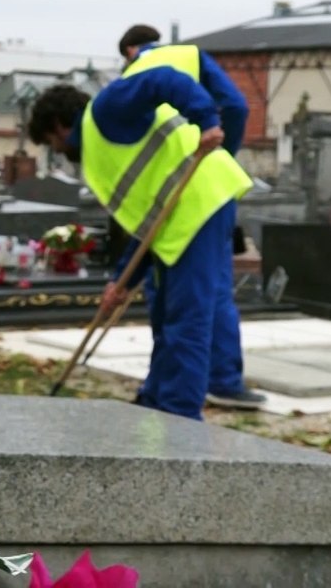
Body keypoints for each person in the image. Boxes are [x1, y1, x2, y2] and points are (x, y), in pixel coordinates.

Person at [26, 56, 261, 421]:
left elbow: (164, 79)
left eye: (52, 142)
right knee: (166, 313)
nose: (58, 151)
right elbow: (145, 220)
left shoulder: (107, 110)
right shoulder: (99, 150)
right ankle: (155, 400)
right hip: (173, 219)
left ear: (58, 125)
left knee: (187, 319)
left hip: (200, 202)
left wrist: (206, 120)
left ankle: (179, 416)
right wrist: (123, 280)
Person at [114, 24, 264, 411]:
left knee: (173, 299)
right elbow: (236, 107)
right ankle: (224, 381)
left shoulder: (137, 72)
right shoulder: (191, 55)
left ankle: (166, 393)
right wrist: (222, 157)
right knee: (216, 289)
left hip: (179, 191)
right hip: (216, 187)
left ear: (129, 50)